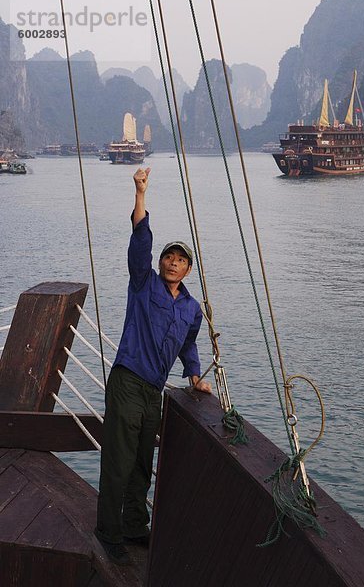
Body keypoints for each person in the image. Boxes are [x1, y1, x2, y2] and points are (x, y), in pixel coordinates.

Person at [95, 167, 212, 565]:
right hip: (128, 382)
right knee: (118, 462)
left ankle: (133, 526)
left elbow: (190, 344)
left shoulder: (192, 309)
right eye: (168, 256)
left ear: (188, 269)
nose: (172, 263)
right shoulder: (143, 282)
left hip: (153, 394)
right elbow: (140, 241)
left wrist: (195, 377)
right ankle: (108, 534)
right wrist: (141, 194)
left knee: (143, 464)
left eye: (180, 260)